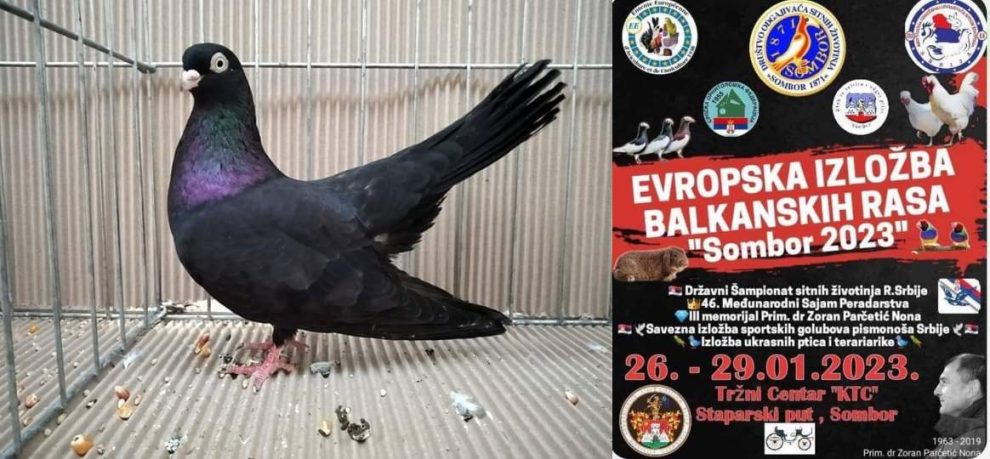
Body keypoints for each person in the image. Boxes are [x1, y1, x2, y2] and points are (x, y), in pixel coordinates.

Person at [928, 353, 986, 458]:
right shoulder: (965, 437)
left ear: (971, 389)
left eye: (944, 382)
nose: (936, 391)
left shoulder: (974, 442)